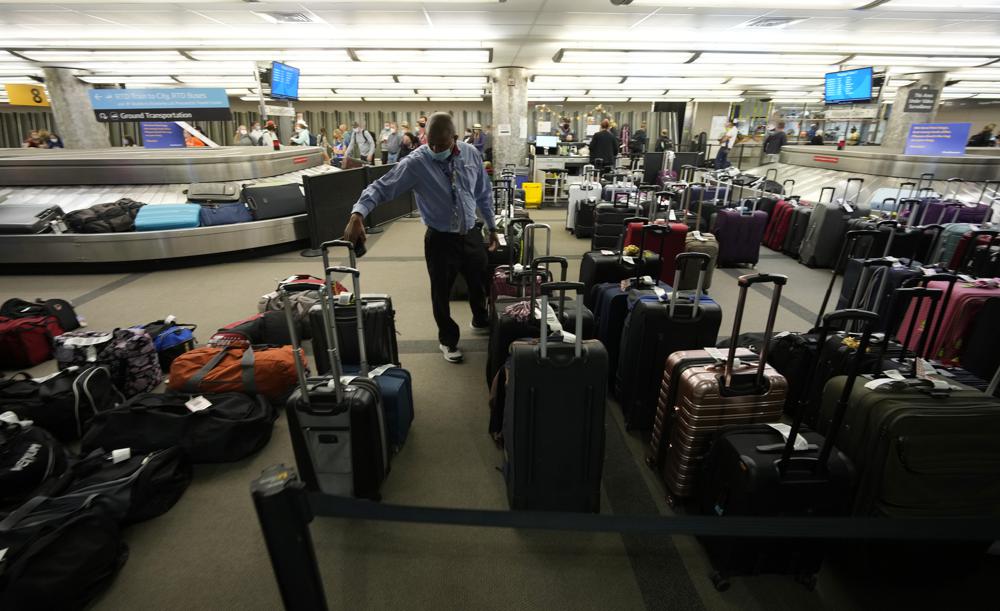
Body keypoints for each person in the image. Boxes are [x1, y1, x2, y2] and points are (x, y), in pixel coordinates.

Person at [342, 113, 497, 364]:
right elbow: (381, 187)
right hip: (440, 239)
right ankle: (448, 340)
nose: (435, 149)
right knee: (440, 293)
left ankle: (480, 319)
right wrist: (357, 213)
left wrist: (492, 226)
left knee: (478, 281)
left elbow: (483, 193)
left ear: (455, 138)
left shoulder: (470, 154)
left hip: (470, 233)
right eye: (431, 144)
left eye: (442, 144)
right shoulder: (416, 162)